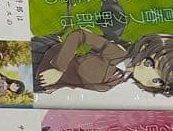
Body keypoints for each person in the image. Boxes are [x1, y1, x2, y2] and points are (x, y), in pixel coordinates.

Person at [33, 28, 173, 98]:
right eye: (150, 64)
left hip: (47, 88)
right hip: (43, 62)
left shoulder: (123, 82)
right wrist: (59, 68)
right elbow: (80, 35)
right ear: (144, 48)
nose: (147, 77)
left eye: (158, 81)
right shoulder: (117, 53)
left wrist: (55, 88)